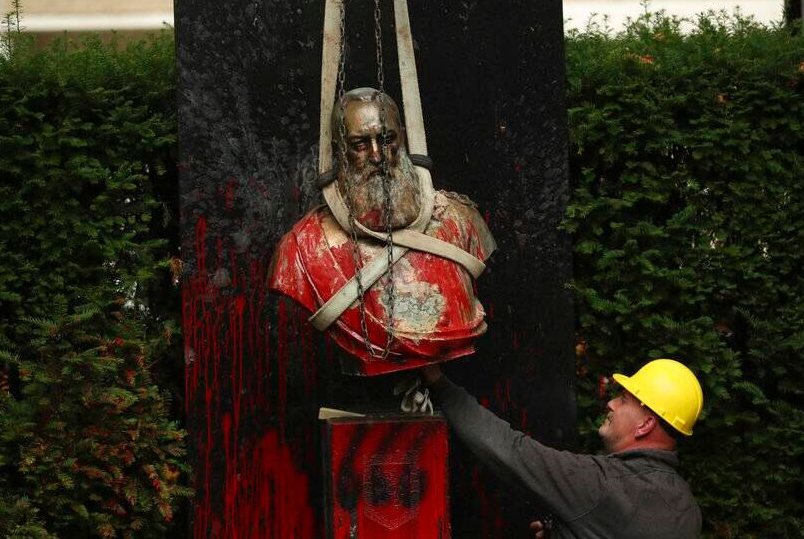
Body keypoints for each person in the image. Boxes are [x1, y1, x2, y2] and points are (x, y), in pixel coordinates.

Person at [269, 88, 496, 376]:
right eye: (360, 144)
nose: (378, 156)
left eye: (387, 139)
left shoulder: (462, 220)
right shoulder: (301, 250)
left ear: (403, 138)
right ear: (339, 151)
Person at [422, 359, 704, 539]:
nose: (611, 404)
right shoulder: (689, 509)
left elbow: (510, 450)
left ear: (645, 424)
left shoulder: (601, 485)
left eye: (624, 400)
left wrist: (438, 382)